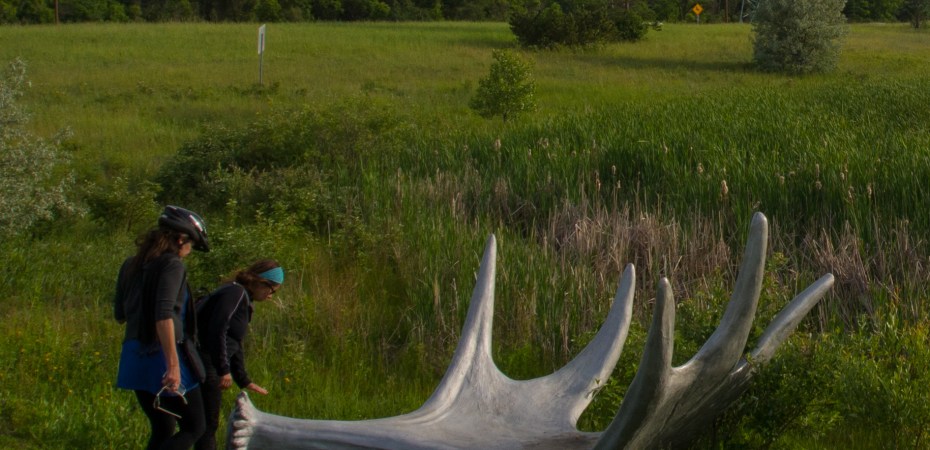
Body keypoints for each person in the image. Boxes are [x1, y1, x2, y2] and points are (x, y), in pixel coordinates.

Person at [114, 205, 210, 450]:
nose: (190, 251)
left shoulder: (130, 264)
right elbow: (164, 315)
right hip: (162, 355)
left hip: (133, 355)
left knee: (163, 427)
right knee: (195, 427)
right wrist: (173, 366)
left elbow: (120, 314)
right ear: (181, 239)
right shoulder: (172, 265)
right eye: (191, 244)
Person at [194, 259, 283, 450]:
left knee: (203, 425)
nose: (270, 296)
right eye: (272, 290)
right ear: (260, 282)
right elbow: (218, 329)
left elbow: (234, 341)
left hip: (210, 363)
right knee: (206, 426)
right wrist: (223, 369)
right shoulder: (235, 293)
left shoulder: (241, 296)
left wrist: (243, 379)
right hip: (206, 362)